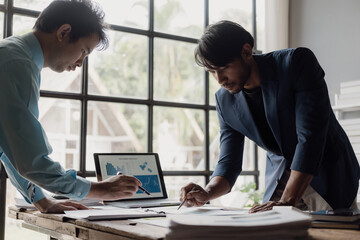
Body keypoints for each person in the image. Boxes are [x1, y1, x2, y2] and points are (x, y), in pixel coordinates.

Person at [180, 20, 360, 212]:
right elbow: (229, 162)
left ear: (247, 52)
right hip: (279, 178)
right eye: (211, 71)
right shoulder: (224, 100)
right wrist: (208, 192)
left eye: (224, 68)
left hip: (328, 174)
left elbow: (311, 137)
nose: (219, 79)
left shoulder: (297, 63)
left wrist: (286, 202)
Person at [0, 0, 142, 213]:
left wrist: (42, 201)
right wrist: (102, 190)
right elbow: (31, 161)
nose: (80, 63)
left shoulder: (12, 54)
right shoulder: (17, 64)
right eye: (84, 51)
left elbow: (9, 148)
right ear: (64, 32)